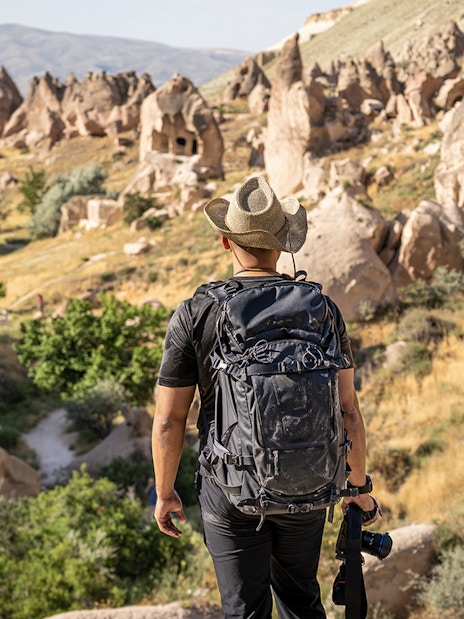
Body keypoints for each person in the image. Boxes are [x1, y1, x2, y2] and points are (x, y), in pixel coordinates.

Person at [152, 176, 379, 619]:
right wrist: (357, 488)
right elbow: (348, 409)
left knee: (245, 610)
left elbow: (168, 420)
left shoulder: (197, 312)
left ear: (225, 242)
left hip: (230, 489)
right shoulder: (323, 310)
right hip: (309, 484)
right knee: (301, 603)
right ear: (282, 242)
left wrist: (164, 494)